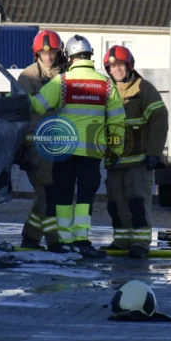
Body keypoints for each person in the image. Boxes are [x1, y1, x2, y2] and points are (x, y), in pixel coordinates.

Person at [30, 35, 125, 256]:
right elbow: (117, 120)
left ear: (70, 57)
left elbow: (37, 106)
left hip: (64, 149)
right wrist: (116, 150)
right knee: (85, 197)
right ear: (90, 56)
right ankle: (81, 239)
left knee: (63, 195)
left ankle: (64, 240)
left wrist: (16, 96)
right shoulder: (106, 83)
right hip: (92, 151)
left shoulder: (61, 81)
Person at [100, 46, 168, 259]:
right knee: (115, 204)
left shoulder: (143, 88)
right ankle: (121, 241)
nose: (117, 70)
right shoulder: (106, 90)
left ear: (129, 66)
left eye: (120, 65)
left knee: (137, 203)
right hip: (115, 161)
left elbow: (160, 120)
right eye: (112, 67)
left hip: (139, 161)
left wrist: (154, 153)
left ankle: (140, 243)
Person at [15, 30, 66, 251]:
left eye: (52, 52)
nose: (48, 56)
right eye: (44, 53)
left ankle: (31, 236)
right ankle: (54, 240)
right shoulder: (27, 78)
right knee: (47, 194)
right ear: (36, 53)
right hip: (36, 146)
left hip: (61, 144)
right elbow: (21, 114)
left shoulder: (65, 73)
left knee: (51, 194)